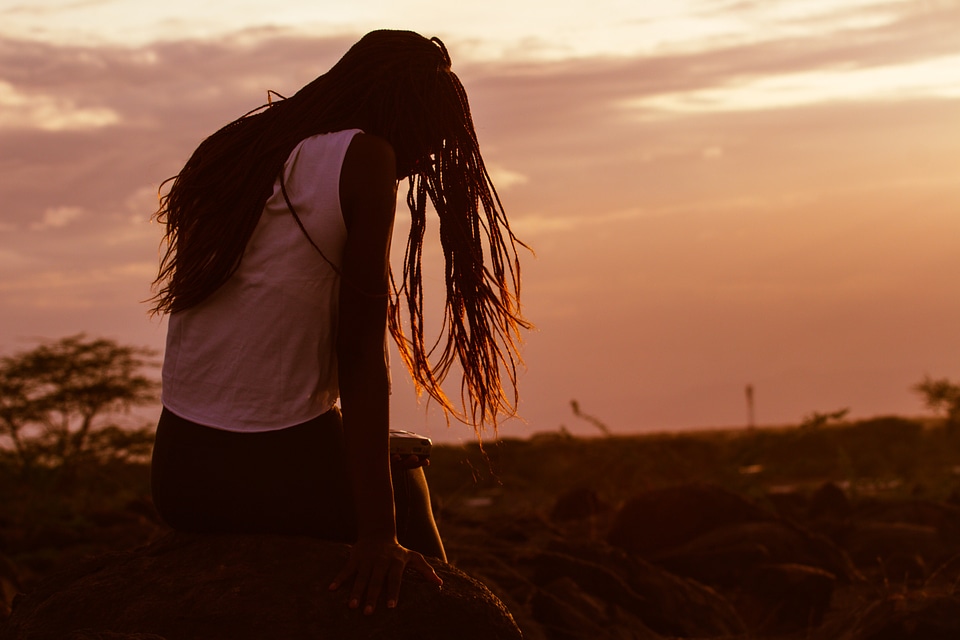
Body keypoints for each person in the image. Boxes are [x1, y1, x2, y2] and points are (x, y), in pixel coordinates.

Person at [148, 30, 528, 616]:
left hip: (180, 473)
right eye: (426, 134)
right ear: (394, 110)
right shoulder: (363, 158)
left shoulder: (232, 149)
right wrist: (379, 536)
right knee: (406, 484)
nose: (426, 158)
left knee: (385, 447)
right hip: (269, 466)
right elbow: (358, 353)